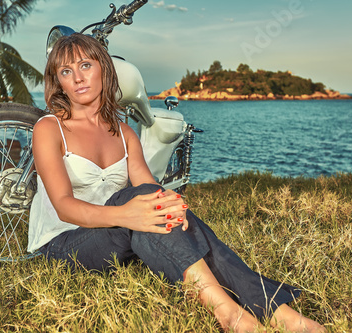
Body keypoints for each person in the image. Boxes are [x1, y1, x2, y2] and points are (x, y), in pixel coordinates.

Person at [28, 33, 325, 332]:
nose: (78, 78)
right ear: (59, 82)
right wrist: (128, 213)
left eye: (85, 66)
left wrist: (173, 206)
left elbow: (148, 188)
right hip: (63, 245)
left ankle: (279, 313)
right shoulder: (50, 128)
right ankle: (229, 315)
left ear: (104, 68)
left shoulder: (124, 133)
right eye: (66, 72)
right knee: (137, 205)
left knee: (156, 205)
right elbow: (64, 207)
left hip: (114, 235)